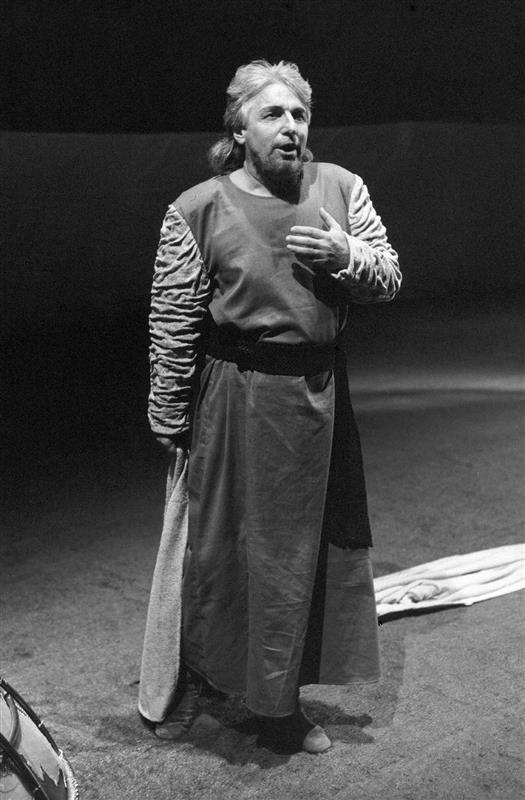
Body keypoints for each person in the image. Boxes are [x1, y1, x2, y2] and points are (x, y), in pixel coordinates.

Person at [139, 60, 401, 754]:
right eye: (272, 114)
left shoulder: (339, 187)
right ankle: (210, 680)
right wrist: (170, 416)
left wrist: (345, 253)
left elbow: (388, 276)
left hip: (316, 399)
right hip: (236, 401)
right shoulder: (199, 207)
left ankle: (276, 701)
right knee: (224, 553)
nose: (290, 127)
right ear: (239, 129)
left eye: (299, 114)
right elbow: (173, 322)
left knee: (296, 560)